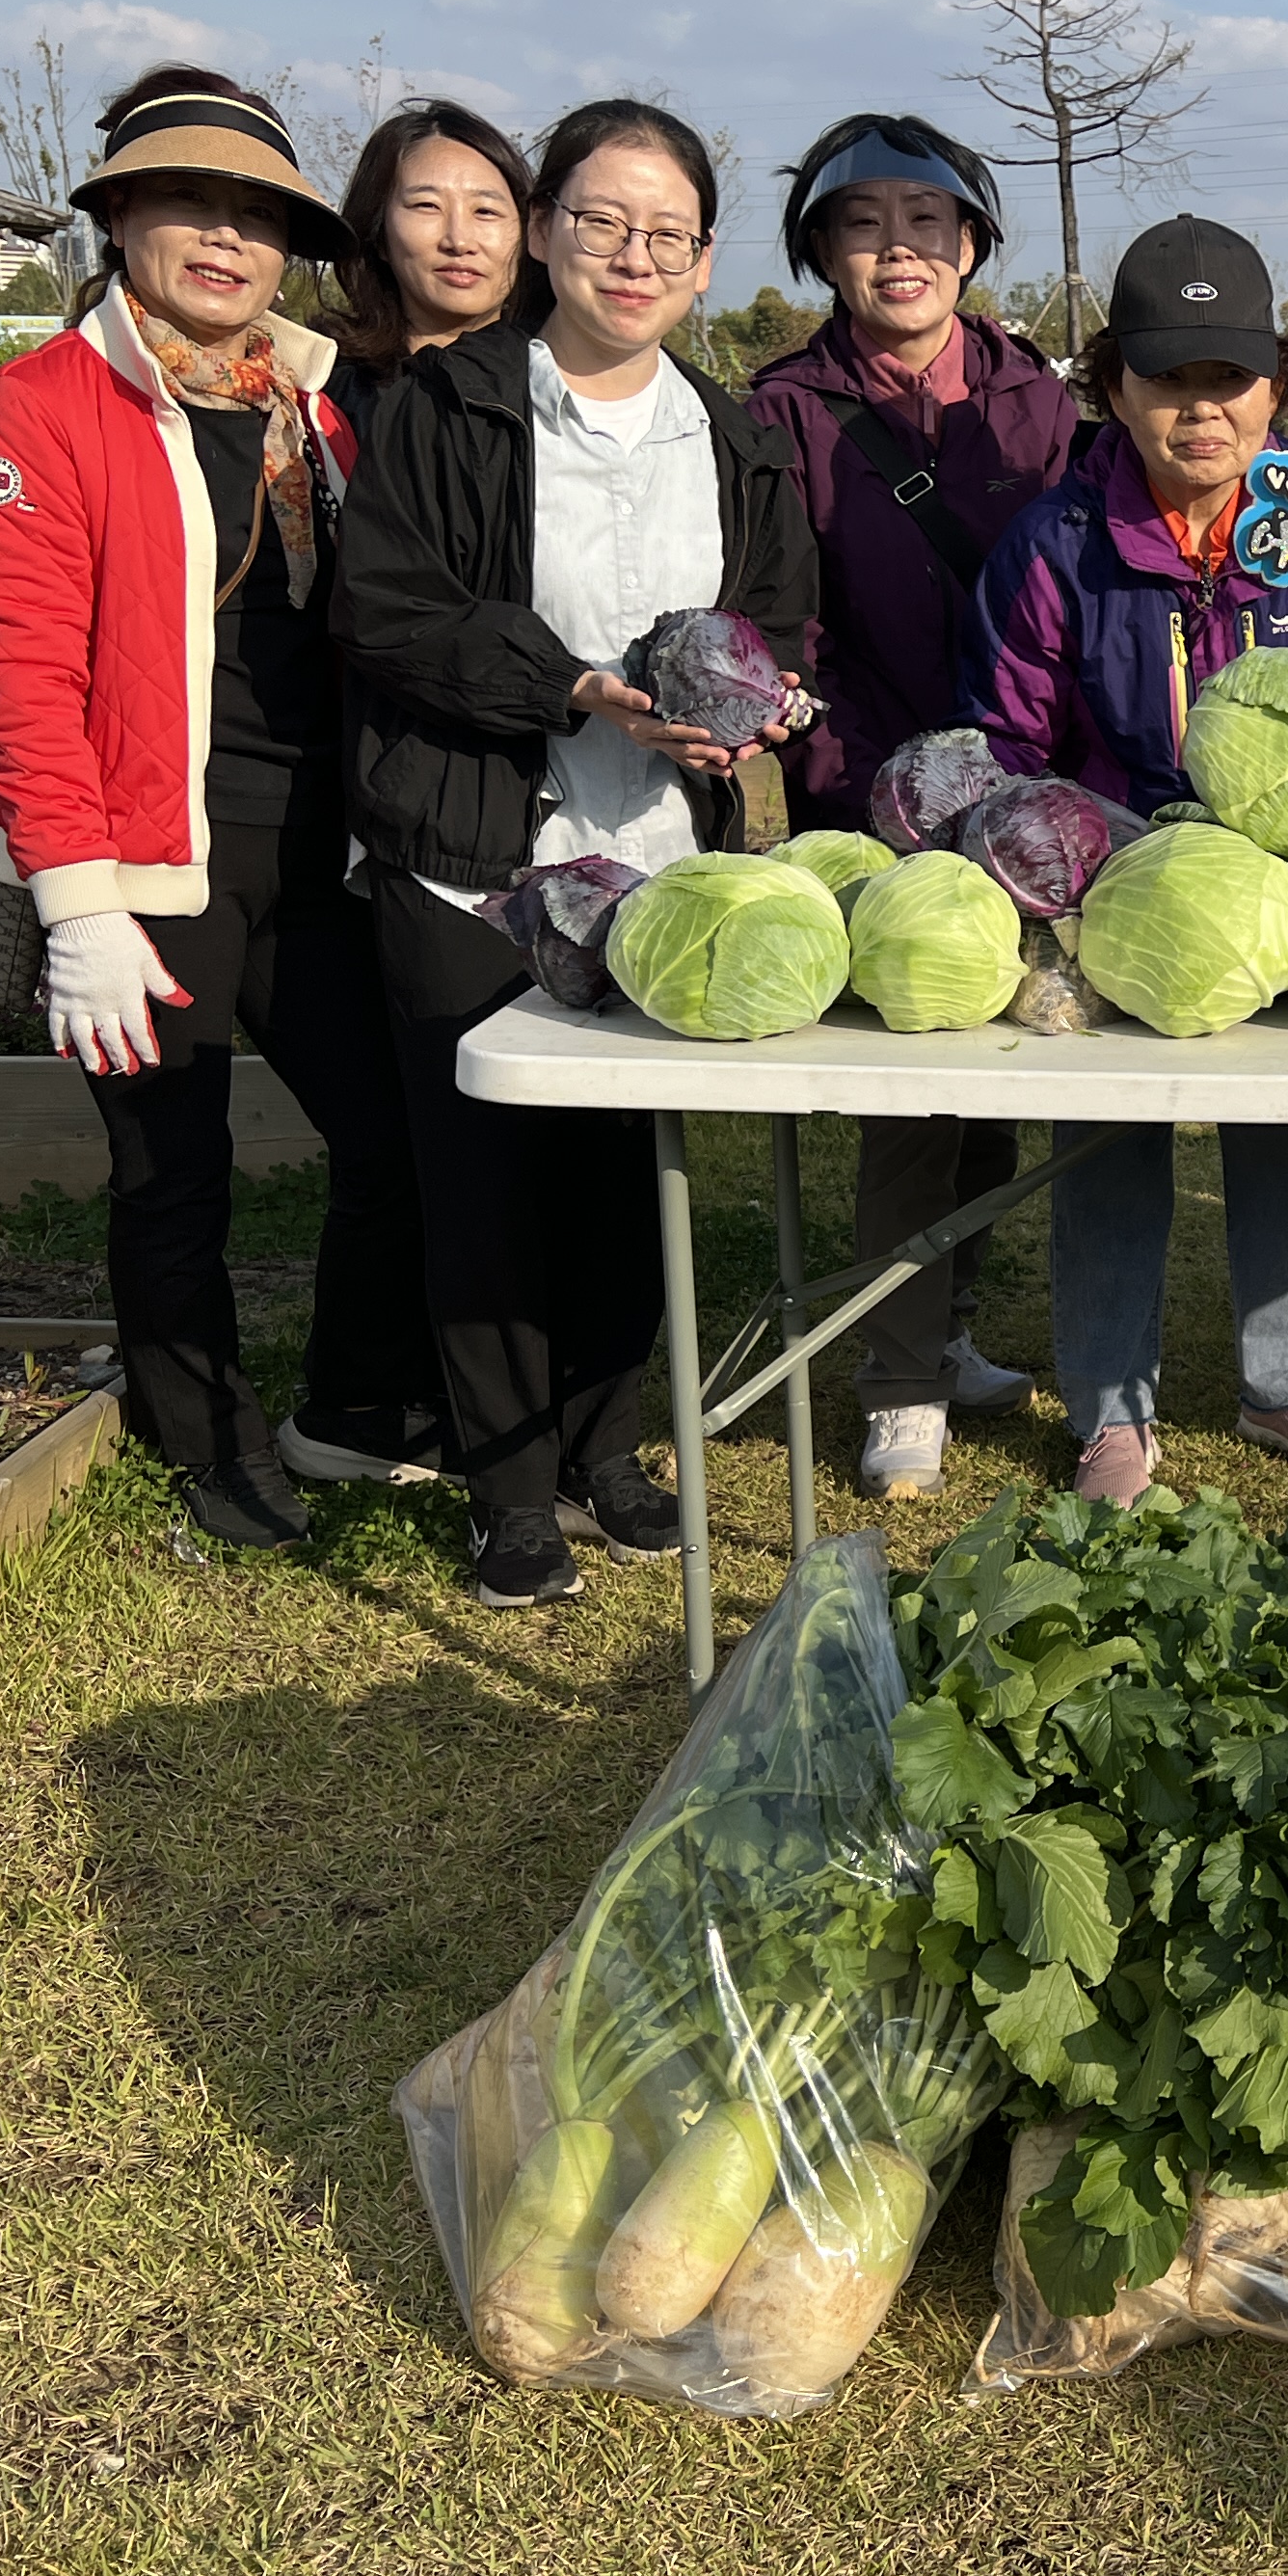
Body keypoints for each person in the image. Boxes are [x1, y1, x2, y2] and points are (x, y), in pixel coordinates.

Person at [0, 66, 440, 1549]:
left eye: (254, 218)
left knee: (392, 1131)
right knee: (175, 1164)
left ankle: (348, 1399)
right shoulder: (38, 409)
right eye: (186, 208)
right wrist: (77, 901)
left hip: (308, 831)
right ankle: (197, 1431)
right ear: (119, 220)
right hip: (138, 849)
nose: (223, 242)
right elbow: (20, 675)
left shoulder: (318, 400)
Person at [335, 94, 817, 1607]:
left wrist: (765, 708)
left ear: (706, 262)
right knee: (478, 1184)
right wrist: (572, 690)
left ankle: (610, 1448)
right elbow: (391, 614)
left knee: (624, 1173)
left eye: (664, 234)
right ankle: (509, 1491)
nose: (630, 256)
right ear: (545, 232)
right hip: (471, 853)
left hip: (657, 860)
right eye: (601, 222)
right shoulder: (450, 407)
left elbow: (779, 618)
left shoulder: (731, 438)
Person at [970, 214, 1288, 1505]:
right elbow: (1005, 744)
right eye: (1168, 379)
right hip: (1117, 900)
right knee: (1105, 1142)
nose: (1200, 410)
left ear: (1278, 386)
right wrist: (1107, 863)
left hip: (1287, 887)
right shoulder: (1056, 547)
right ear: (1115, 388)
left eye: (1230, 378)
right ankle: (1110, 1407)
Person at [749, 112, 1079, 1500]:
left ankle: (946, 1323)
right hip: (869, 785)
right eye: (866, 221)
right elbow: (771, 609)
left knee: (993, 1063)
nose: (901, 248)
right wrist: (848, 752)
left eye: (930, 222)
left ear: (974, 245)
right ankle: (895, 1385)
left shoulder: (1040, 401)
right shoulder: (784, 408)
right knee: (909, 1093)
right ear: (822, 245)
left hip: (1022, 792)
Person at [320, 98, 531, 436]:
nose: (459, 241)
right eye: (427, 205)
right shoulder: (320, 399)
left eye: (486, 211)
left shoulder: (564, 387)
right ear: (379, 235)